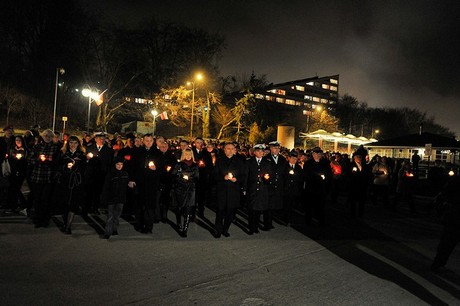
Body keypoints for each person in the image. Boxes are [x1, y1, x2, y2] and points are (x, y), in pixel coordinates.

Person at [128, 134, 164, 234]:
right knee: (139, 204)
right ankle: (139, 224)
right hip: (139, 182)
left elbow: (162, 169)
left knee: (150, 205)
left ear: (153, 141)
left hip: (151, 183)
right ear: (143, 141)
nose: (148, 142)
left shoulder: (157, 153)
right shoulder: (137, 152)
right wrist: (131, 179)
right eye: (146, 140)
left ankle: (148, 226)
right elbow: (132, 166)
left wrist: (156, 168)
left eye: (150, 140)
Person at [212, 142, 247, 238]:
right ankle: (217, 230)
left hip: (233, 191)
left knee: (230, 213)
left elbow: (243, 176)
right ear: (224, 150)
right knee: (220, 212)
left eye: (232, 148)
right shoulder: (219, 161)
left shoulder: (239, 161)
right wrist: (223, 177)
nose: (230, 150)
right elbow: (214, 175)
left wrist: (237, 179)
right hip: (222, 190)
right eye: (228, 148)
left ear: (235, 150)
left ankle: (225, 229)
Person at [28, 129, 60, 228]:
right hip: (37, 175)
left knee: (46, 199)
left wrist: (49, 162)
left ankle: (45, 219)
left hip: (49, 177)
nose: (48, 138)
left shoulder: (55, 148)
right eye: (46, 136)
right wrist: (38, 160)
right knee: (37, 199)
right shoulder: (37, 147)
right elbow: (30, 159)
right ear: (43, 136)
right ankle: (38, 219)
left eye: (50, 136)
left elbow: (57, 162)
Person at [54, 136, 86, 234]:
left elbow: (84, 168)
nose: (73, 145)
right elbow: (57, 165)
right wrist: (65, 167)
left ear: (78, 144)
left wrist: (75, 168)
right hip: (65, 181)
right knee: (65, 202)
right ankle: (65, 221)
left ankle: (68, 226)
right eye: (71, 142)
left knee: (73, 203)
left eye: (75, 143)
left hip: (76, 182)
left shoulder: (81, 155)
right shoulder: (63, 153)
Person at [431, 175, 460, 272]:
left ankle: (438, 262)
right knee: (447, 242)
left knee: (446, 243)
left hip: (453, 215)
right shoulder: (456, 180)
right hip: (454, 215)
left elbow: (445, 193)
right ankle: (438, 262)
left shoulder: (455, 180)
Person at [171, 148, 199, 237]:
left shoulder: (195, 165)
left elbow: (197, 177)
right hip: (180, 189)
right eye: (186, 154)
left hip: (190, 189)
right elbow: (173, 175)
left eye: (189, 154)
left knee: (188, 208)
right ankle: (179, 222)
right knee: (179, 207)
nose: (188, 156)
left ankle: (185, 229)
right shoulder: (179, 164)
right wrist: (181, 178)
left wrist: (190, 178)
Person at [84, 132, 113, 215]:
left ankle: (95, 208)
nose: (102, 140)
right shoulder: (89, 148)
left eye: (103, 139)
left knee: (98, 192)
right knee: (89, 191)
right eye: (100, 138)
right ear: (96, 139)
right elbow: (85, 161)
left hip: (102, 174)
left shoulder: (109, 150)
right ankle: (86, 207)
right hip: (91, 173)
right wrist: (87, 159)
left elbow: (109, 163)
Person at [246, 144, 272, 234]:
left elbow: (270, 175)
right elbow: (246, 176)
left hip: (262, 188)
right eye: (258, 151)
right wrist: (244, 189)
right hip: (252, 188)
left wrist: (267, 178)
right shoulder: (249, 161)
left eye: (262, 151)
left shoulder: (267, 162)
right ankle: (251, 228)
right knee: (251, 210)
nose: (260, 153)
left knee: (258, 210)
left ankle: (255, 227)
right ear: (254, 152)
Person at [101, 157, 129, 239]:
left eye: (121, 164)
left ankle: (114, 228)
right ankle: (108, 232)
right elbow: (106, 187)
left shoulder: (125, 174)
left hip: (121, 198)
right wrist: (104, 198)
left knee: (117, 215)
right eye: (118, 164)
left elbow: (127, 186)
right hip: (111, 198)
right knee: (110, 215)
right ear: (115, 165)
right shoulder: (110, 174)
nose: (120, 166)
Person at [303, 147, 332, 226]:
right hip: (310, 188)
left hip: (321, 188)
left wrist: (326, 183)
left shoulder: (326, 163)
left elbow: (329, 175)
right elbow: (305, 175)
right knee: (309, 206)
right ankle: (308, 221)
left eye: (319, 154)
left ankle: (321, 221)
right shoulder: (308, 163)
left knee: (320, 206)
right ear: (312, 154)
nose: (317, 155)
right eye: (315, 154)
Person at [264, 141, 288, 230]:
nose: (277, 150)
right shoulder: (266, 158)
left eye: (278, 148)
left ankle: (274, 220)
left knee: (275, 205)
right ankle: (267, 223)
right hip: (269, 185)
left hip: (279, 185)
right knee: (268, 206)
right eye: (275, 148)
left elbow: (285, 173)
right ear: (270, 148)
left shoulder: (282, 159)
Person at [6, 136, 29, 213]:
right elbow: (10, 159)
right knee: (13, 188)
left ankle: (18, 205)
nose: (18, 141)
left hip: (21, 172)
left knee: (16, 188)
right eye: (16, 140)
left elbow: (25, 161)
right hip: (13, 171)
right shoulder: (12, 149)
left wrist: (20, 158)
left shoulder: (25, 150)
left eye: (19, 140)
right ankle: (21, 204)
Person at [192, 137, 213, 218]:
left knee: (202, 195)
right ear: (195, 143)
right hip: (194, 176)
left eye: (201, 142)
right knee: (193, 195)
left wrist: (205, 167)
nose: (199, 144)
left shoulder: (206, 153)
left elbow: (210, 165)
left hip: (203, 176)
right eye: (198, 142)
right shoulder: (192, 151)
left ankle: (201, 210)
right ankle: (192, 212)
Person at [283, 151, 303, 225]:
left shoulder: (298, 167)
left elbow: (300, 178)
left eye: (296, 158)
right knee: (286, 204)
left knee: (292, 205)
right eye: (293, 158)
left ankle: (290, 218)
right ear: (289, 158)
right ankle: (286, 219)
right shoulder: (285, 166)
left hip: (294, 189)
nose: (294, 160)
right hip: (286, 189)